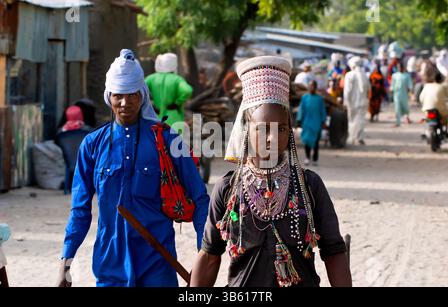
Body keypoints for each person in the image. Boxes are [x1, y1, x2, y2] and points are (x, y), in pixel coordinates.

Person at [190, 56, 351, 288]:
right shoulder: (227, 189)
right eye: (263, 128)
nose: (273, 137)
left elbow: (334, 251)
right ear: (246, 131)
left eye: (282, 128)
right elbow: (209, 254)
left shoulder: (309, 186)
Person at [57, 49, 209, 287]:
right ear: (109, 96)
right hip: (110, 266)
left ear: (143, 95)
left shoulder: (169, 140)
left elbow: (201, 199)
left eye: (132, 95)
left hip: (158, 265)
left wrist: (204, 256)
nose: (125, 103)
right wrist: (65, 264)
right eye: (118, 95)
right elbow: (79, 209)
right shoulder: (92, 144)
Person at [145, 53, 193, 133]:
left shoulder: (151, 78)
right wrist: (177, 102)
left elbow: (139, 89)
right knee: (174, 143)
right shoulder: (177, 79)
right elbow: (188, 90)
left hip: (154, 116)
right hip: (173, 117)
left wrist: (148, 103)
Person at [297, 80, 327, 166]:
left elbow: (322, 111)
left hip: (316, 123)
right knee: (306, 141)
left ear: (316, 87)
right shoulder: (304, 98)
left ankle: (315, 158)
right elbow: (301, 109)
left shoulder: (319, 99)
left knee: (316, 142)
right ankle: (307, 157)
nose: (312, 88)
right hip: (306, 123)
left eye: (313, 86)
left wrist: (323, 121)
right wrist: (299, 119)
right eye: (310, 86)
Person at [344, 56, 370, 145]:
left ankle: (351, 138)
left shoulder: (349, 75)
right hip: (363, 102)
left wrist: (346, 102)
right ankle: (360, 137)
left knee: (351, 120)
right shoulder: (365, 75)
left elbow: (347, 91)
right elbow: (368, 89)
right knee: (361, 120)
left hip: (352, 102)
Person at [391, 62, 413, 127]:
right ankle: (398, 122)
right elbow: (392, 85)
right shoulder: (394, 75)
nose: (400, 68)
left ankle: (407, 117)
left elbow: (410, 85)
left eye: (401, 67)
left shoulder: (407, 75)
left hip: (404, 94)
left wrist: (410, 91)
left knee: (405, 107)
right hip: (396, 94)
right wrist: (391, 90)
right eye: (398, 67)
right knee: (397, 108)